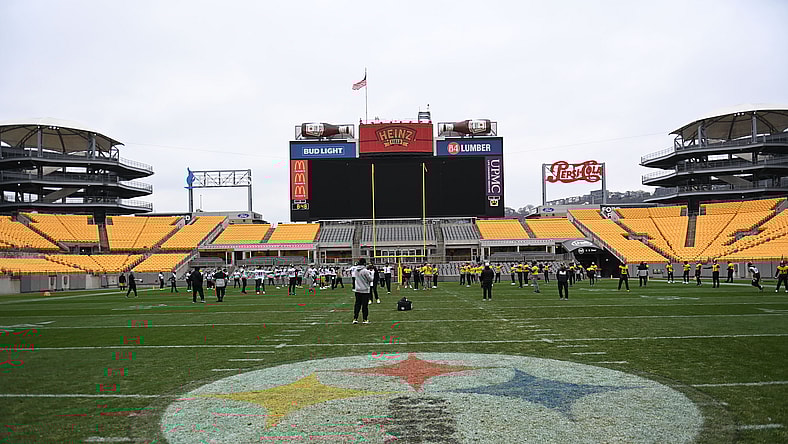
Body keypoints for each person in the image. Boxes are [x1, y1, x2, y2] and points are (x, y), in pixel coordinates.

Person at [352, 259, 373, 324]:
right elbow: (370, 279)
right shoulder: (365, 271)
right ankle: (365, 319)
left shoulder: (356, 270)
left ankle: (355, 318)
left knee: (357, 305)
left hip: (357, 289)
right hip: (365, 290)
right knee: (364, 306)